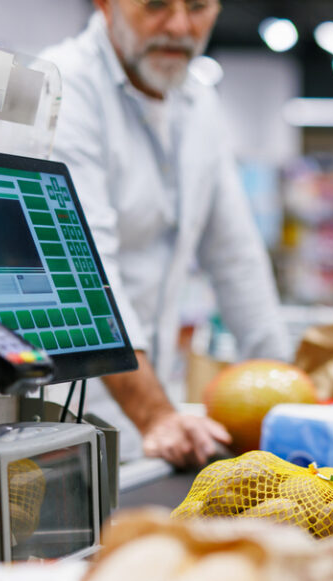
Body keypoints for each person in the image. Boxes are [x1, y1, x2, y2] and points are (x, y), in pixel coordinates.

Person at [42, 0, 290, 467]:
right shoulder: (61, 87)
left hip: (151, 421)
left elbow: (237, 260)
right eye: (156, 4)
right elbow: (83, 267)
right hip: (61, 418)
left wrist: (289, 399)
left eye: (197, 7)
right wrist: (154, 413)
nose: (179, 27)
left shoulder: (200, 103)